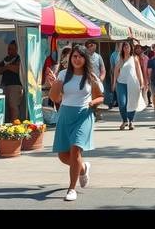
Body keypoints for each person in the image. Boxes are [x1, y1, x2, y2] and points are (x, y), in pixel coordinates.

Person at [46, 45, 104, 202]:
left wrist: (92, 103)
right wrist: (54, 84)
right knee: (63, 155)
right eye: (74, 56)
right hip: (65, 115)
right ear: (70, 59)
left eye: (80, 56)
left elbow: (100, 97)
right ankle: (83, 168)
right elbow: (55, 97)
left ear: (85, 59)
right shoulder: (64, 74)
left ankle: (71, 188)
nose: (77, 59)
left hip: (83, 116)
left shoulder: (91, 76)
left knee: (75, 151)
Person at [113, 40, 146, 130]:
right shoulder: (119, 59)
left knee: (132, 102)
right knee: (122, 103)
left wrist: (142, 83)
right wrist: (114, 83)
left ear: (131, 48)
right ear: (122, 48)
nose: (126, 48)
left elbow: (139, 71)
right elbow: (116, 71)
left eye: (128, 46)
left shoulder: (134, 58)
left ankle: (131, 121)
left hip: (133, 83)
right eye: (124, 46)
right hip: (121, 83)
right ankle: (124, 120)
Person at [0, 41, 24, 122]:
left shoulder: (19, 58)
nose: (9, 51)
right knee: (4, 106)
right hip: (4, 86)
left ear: (17, 49)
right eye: (9, 49)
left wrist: (7, 67)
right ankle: (7, 124)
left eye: (12, 49)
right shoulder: (6, 59)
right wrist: (7, 67)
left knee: (13, 106)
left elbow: (18, 69)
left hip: (15, 86)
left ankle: (14, 125)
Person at [84, 40, 106, 122]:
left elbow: (103, 69)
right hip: (87, 80)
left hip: (97, 81)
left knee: (98, 97)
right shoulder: (84, 56)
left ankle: (98, 113)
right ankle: (91, 114)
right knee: (89, 98)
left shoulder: (98, 57)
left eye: (92, 45)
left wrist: (101, 78)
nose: (91, 47)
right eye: (89, 46)